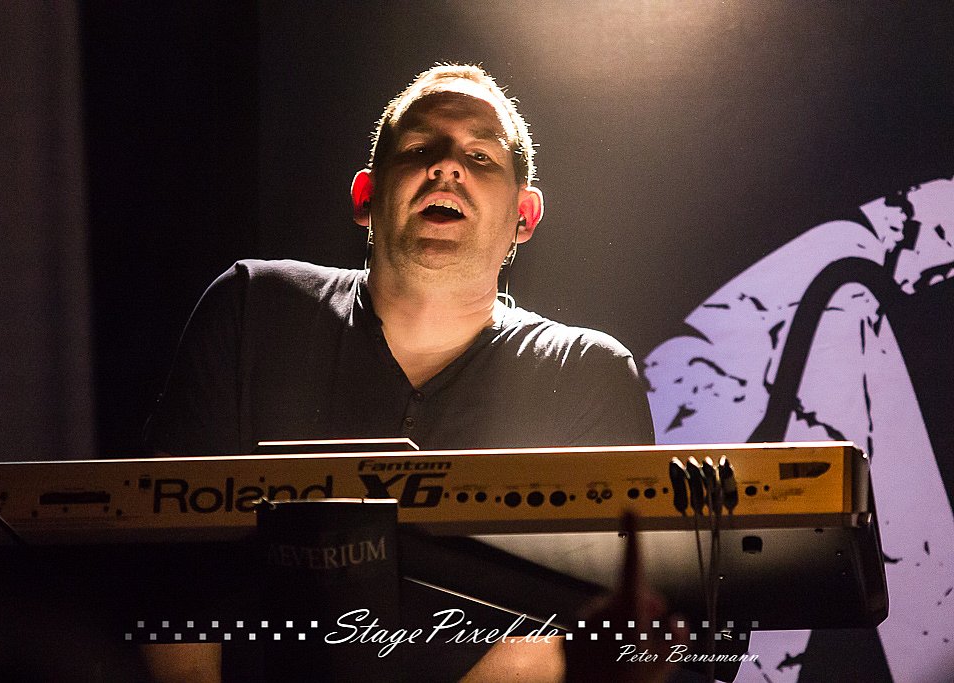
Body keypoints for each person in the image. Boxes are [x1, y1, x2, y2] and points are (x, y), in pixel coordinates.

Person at [145, 64, 664, 682]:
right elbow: (163, 565)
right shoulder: (252, 306)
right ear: (366, 196)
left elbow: (603, 623)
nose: (446, 167)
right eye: (419, 149)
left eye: (481, 155)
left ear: (524, 216)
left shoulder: (587, 372)